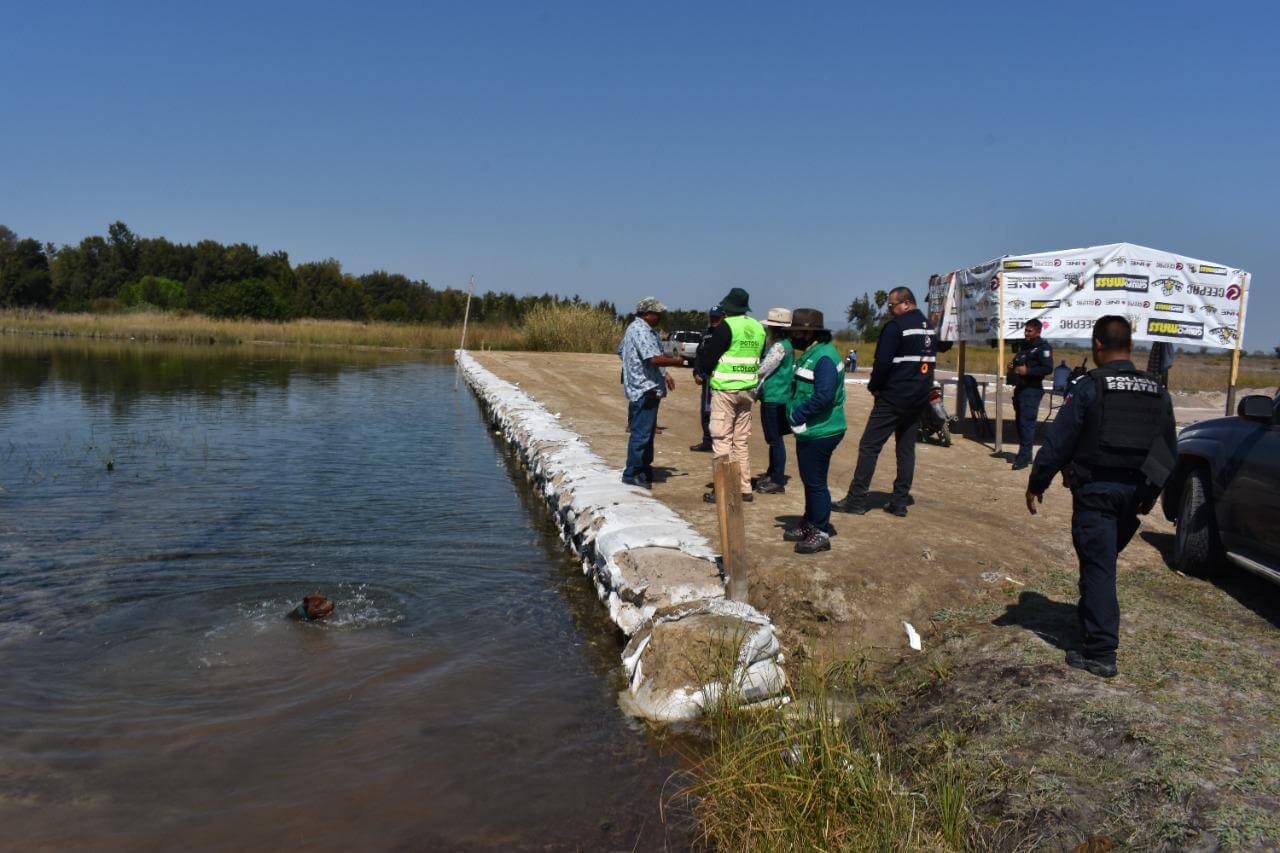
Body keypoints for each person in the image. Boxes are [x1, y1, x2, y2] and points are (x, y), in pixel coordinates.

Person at [1025, 316, 1177, 678]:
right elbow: (1168, 450)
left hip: (1096, 493)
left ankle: (1100, 652)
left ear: (1097, 345)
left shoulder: (1091, 386)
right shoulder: (1157, 389)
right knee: (1100, 560)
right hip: (1134, 494)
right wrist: (1149, 494)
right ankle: (1090, 622)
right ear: (1132, 346)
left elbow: (1060, 440)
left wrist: (1037, 481)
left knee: (1098, 567)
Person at [832, 287, 935, 517]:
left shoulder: (896, 327)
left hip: (894, 397)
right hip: (919, 398)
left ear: (906, 303)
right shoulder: (930, 327)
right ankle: (899, 501)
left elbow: (882, 364)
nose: (890, 310)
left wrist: (875, 387)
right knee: (906, 450)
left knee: (869, 446)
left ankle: (857, 499)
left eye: (892, 305)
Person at [782, 309, 846, 553]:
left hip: (822, 430)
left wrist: (798, 414)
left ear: (809, 332)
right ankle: (809, 522)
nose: (794, 336)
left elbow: (824, 395)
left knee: (816, 482)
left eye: (797, 331)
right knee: (810, 479)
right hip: (812, 430)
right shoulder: (813, 353)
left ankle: (820, 531)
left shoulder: (825, 357)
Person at [696, 287, 766, 503]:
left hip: (726, 390)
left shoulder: (726, 327)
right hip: (748, 391)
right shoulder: (758, 328)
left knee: (722, 438)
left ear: (728, 308)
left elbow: (710, 356)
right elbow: (760, 356)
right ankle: (745, 488)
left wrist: (702, 371)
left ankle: (724, 489)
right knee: (740, 441)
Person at [618, 297, 684, 488]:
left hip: (646, 386)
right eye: (657, 314)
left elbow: (621, 350)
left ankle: (644, 469)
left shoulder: (637, 329)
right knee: (641, 433)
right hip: (644, 388)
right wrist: (678, 361)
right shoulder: (641, 330)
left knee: (646, 432)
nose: (660, 317)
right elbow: (653, 359)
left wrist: (662, 373)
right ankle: (632, 473)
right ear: (647, 313)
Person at [753, 307, 794, 494]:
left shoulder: (779, 346)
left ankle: (777, 479)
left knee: (775, 439)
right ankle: (772, 473)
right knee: (773, 438)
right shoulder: (786, 344)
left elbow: (764, 368)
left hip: (774, 397)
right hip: (778, 395)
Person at [1008, 319, 1054, 470]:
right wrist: (1012, 367)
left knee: (1027, 424)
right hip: (1020, 389)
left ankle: (1023, 458)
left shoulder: (1043, 348)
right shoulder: (1024, 347)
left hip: (1032, 390)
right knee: (1020, 423)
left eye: (1030, 331)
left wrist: (1029, 371)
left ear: (1038, 332)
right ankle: (1026, 455)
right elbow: (1018, 363)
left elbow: (1047, 368)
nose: (1026, 333)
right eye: (1025, 330)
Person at [689, 306, 725, 452]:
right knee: (706, 412)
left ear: (723, 317)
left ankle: (719, 443)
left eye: (717, 317)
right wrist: (696, 372)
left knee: (719, 413)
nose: (714, 320)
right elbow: (699, 355)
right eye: (712, 317)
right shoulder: (706, 335)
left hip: (720, 379)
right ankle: (707, 441)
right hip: (706, 380)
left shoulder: (725, 334)